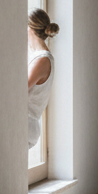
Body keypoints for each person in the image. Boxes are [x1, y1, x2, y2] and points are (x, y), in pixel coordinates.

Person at [27, 9, 58, 149]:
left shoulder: (42, 60)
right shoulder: (40, 57)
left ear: (30, 29)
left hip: (26, 125)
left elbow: (17, 89)